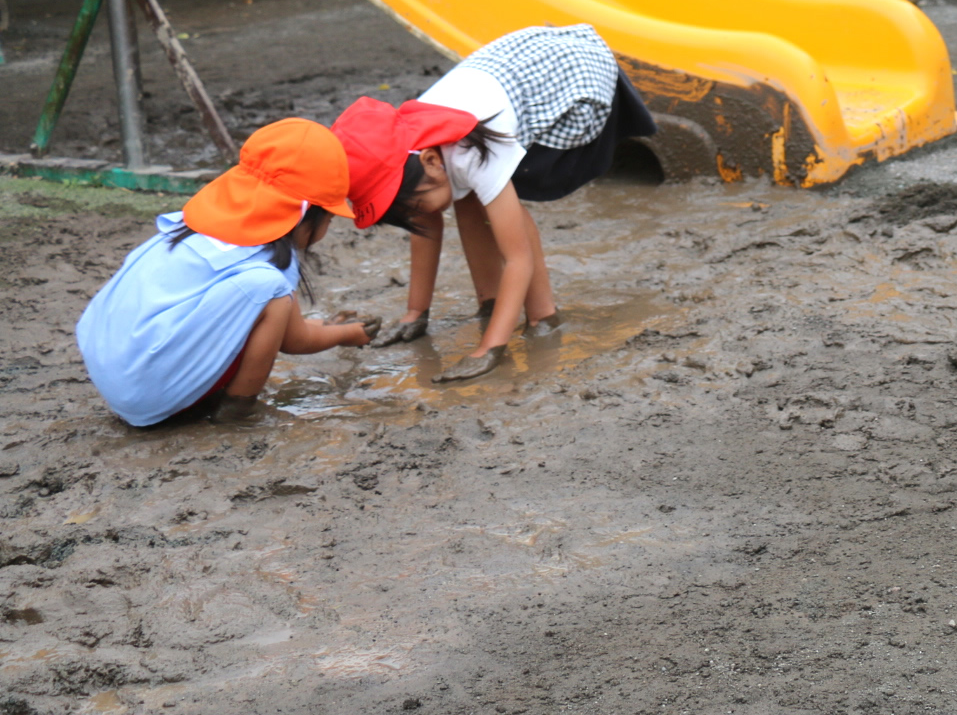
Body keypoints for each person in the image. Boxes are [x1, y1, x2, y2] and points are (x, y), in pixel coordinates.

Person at [330, 24, 655, 382]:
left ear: (430, 161)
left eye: (412, 206)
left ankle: (543, 316)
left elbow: (518, 258)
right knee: (472, 195)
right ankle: (492, 302)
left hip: (579, 82)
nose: (415, 217)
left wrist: (490, 348)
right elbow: (425, 223)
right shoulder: (418, 148)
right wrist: (415, 312)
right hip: (521, 69)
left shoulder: (471, 153)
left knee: (498, 205)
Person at [75, 120, 371, 426]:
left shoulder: (189, 227)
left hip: (113, 374)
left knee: (261, 298)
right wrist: (347, 334)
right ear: (306, 215)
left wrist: (328, 325)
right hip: (148, 394)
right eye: (330, 218)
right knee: (270, 292)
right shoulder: (270, 264)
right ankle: (238, 408)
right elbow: (294, 340)